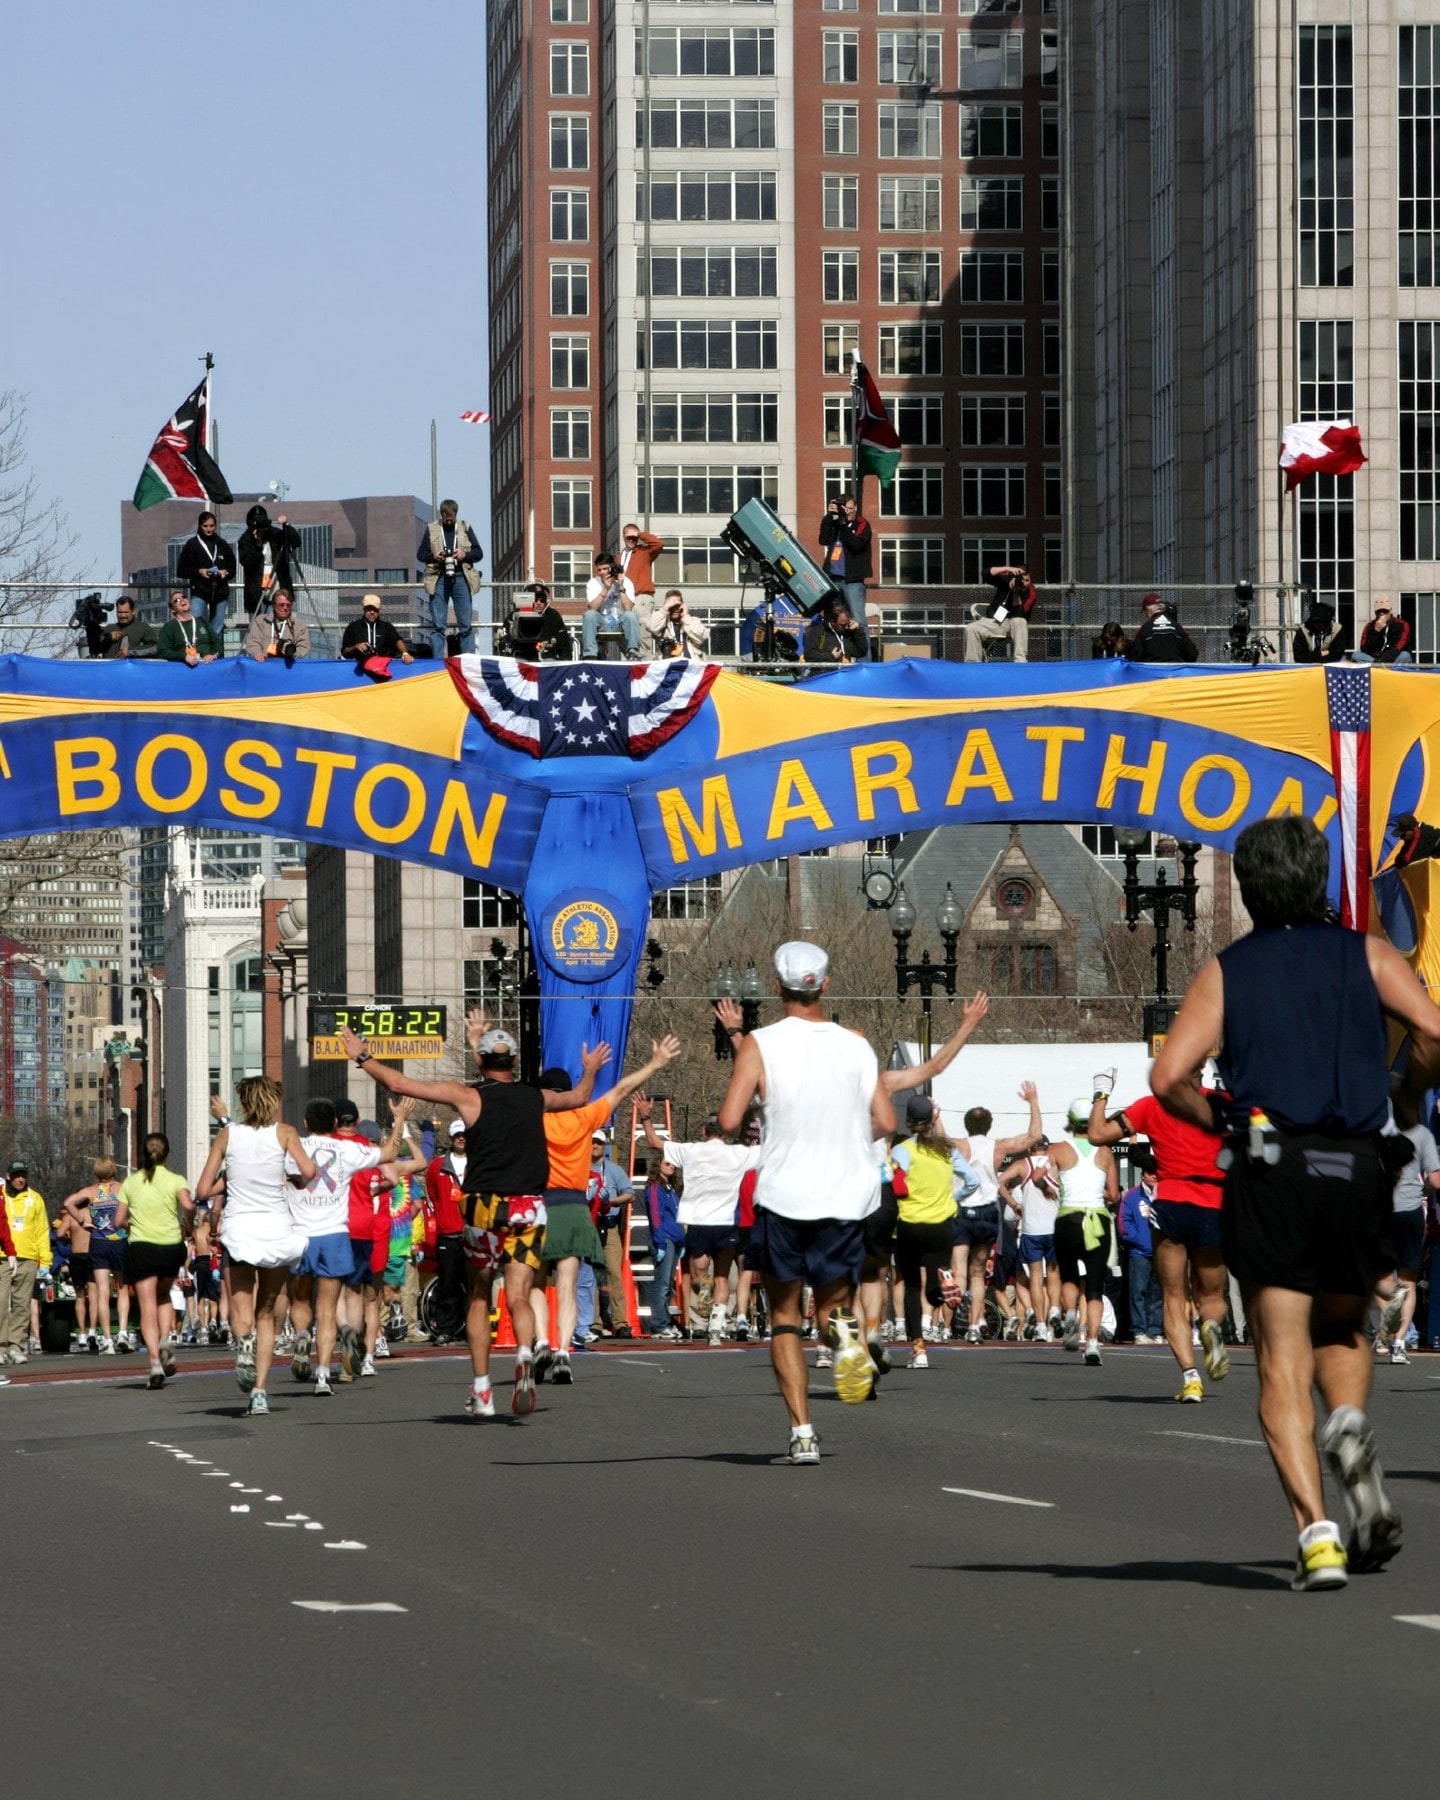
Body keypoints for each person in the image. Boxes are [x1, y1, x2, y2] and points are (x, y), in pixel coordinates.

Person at [1151, 814, 1440, 1591]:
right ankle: (1348, 1425)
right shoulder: (1368, 954)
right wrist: (1407, 1096)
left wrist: (1225, 1119)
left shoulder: (1230, 970)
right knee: (1343, 1325)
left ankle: (1315, 1532)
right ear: (1319, 881)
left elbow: (1166, 1076)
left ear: (1247, 888)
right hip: (1357, 1164)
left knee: (1280, 1358)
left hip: (1273, 1164)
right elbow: (1433, 1029)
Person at [339, 1009, 602, 1420]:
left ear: (480, 1062)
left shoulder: (470, 1097)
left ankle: (482, 1389)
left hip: (484, 1205)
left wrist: (362, 1056)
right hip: (530, 1206)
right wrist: (589, 1069)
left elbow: (399, 1082)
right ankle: (524, 1354)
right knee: (519, 1295)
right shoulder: (536, 1097)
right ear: (515, 1062)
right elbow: (579, 1097)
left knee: (479, 1295)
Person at [718, 941, 896, 1460]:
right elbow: (886, 1121)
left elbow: (730, 1122)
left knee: (784, 1318)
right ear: (825, 985)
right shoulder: (856, 1044)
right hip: (842, 1196)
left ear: (777, 987)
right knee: (836, 1303)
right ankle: (846, 1344)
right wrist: (842, 1133)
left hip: (783, 1195)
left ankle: (802, 1433)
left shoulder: (760, 1043)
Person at [538, 1035, 679, 1383]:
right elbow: (620, 1089)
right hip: (573, 1206)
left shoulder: (534, 1121)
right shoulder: (584, 1118)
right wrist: (655, 1063)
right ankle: (562, 1352)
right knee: (570, 1285)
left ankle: (541, 1341)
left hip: (540, 1205)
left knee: (535, 1284)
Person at [1088, 1062, 1230, 1400]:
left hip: (1171, 1205)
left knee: (1173, 1297)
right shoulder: (1224, 1102)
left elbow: (1096, 1134)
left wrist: (1101, 1092)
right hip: (1214, 1203)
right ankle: (1209, 1326)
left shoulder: (1153, 1105)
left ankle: (1191, 1378)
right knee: (1211, 1296)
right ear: (1203, 1073)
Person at [196, 1080, 317, 1415]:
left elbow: (203, 1189)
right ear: (274, 1102)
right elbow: (309, 1171)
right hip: (276, 1229)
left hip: (239, 1230)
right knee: (267, 1311)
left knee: (241, 1311)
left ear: (244, 1103)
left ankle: (243, 1344)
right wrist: (298, 1180)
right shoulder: (285, 1133)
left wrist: (230, 1177)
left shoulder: (228, 1135)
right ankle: (260, 1392)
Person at [285, 1096, 412, 1394]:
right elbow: (391, 1153)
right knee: (328, 1309)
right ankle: (322, 1377)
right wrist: (400, 1118)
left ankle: (302, 1334)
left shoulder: (294, 1148)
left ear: (305, 1124)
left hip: (300, 1236)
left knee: (300, 1299)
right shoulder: (349, 1149)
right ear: (333, 1124)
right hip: (335, 1235)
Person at [638, 1105, 758, 1347]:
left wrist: (646, 1117)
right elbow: (774, 1150)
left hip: (700, 1222)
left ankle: (712, 1321)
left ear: (703, 1131)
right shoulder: (738, 1153)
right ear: (725, 1133)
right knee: (722, 1277)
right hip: (725, 1223)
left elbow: (653, 1142)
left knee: (699, 1275)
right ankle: (715, 1321)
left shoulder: (690, 1150)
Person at [1024, 1088, 1118, 1363]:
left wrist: (1048, 1187)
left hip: (1068, 1217)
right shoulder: (1105, 1152)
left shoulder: (1059, 1149)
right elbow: (1114, 1194)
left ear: (1070, 1121)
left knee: (1068, 1276)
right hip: (1097, 1219)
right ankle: (1092, 1343)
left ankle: (1071, 1317)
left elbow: (1037, 1175)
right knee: (1095, 1284)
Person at [951, 1097, 1044, 1345]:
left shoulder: (959, 1145)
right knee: (979, 1272)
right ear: (989, 1125)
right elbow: (1034, 1136)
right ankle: (973, 1326)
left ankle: (960, 1297)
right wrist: (1033, 1102)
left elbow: (928, 1139)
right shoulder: (998, 1147)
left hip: (962, 1211)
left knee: (959, 1269)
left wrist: (936, 1119)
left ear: (966, 1124)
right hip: (987, 1212)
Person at [889, 1096, 970, 1369]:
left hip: (910, 1223)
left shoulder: (903, 1150)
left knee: (912, 1285)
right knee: (933, 1282)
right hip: (942, 1224)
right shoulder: (948, 1150)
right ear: (934, 1119)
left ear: (909, 1122)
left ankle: (918, 1348)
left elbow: (884, 1176)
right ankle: (941, 1286)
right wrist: (954, 1198)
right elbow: (974, 1180)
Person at [114, 1135, 194, 1389]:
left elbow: (117, 1221)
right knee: (164, 1295)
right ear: (167, 1154)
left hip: (142, 1248)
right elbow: (188, 1204)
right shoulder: (176, 1180)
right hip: (171, 1247)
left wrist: (132, 1224)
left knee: (146, 1305)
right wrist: (188, 1224)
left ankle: (154, 1362)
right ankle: (165, 1339)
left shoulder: (131, 1183)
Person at [1373, 1090, 1440, 1364]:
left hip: (1383, 1209)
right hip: (1412, 1211)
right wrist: (1419, 1189)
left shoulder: (1379, 1134)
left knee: (1379, 1275)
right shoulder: (1423, 1134)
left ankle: (1387, 1322)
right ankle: (1400, 1341)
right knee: (1410, 1278)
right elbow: (1436, 1181)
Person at [423, 1120, 471, 1341]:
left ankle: (472, 1329)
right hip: (449, 1232)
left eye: (464, 1134)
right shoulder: (437, 1166)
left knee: (474, 1284)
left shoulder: (478, 1161)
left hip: (473, 1231)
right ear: (451, 1138)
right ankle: (446, 1328)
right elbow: (432, 1194)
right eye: (457, 1135)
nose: (461, 1138)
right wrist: (441, 1217)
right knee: (448, 1282)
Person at [418, 498, 483, 653]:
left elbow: (479, 553)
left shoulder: (465, 527)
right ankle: (438, 664)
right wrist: (434, 556)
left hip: (461, 576)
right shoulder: (432, 528)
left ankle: (467, 661)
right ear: (441, 515)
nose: (449, 521)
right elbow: (421, 554)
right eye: (446, 519)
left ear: (456, 514)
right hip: (438, 577)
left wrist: (464, 555)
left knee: (465, 625)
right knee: (438, 625)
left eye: (451, 518)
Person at [1, 1160, 47, 1365]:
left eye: (24, 1175)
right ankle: (1, 1346)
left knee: (22, 1305)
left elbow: (42, 1231)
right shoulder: (1, 1194)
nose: (21, 1179)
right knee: (1, 1302)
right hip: (3, 1257)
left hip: (28, 1257)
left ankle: (16, 1346)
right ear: (8, 1176)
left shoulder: (35, 1198)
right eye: (17, 1175)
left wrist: (44, 1261)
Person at [1116, 1154, 1163, 1345]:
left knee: (1157, 1294)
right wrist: (1139, 1241)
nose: (1154, 1176)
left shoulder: (1165, 1192)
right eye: (1150, 1172)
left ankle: (1155, 1331)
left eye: (1157, 1172)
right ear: (1142, 1175)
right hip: (1140, 1253)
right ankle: (1139, 1331)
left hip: (1162, 1253)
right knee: (1138, 1293)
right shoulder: (1133, 1195)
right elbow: (1123, 1222)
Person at [817, 492, 873, 641]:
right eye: (844, 508)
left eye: (850, 508)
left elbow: (856, 545)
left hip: (852, 581)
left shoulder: (862, 524)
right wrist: (830, 516)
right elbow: (823, 540)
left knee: (859, 622)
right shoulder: (836, 524)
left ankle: (865, 663)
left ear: (855, 508)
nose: (847, 512)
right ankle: (837, 659)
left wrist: (843, 525)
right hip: (833, 580)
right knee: (833, 621)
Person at [175, 510, 237, 634]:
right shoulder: (192, 544)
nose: (209, 529)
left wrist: (226, 572)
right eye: (205, 526)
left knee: (217, 628)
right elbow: (181, 570)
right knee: (196, 624)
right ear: (200, 526)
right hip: (200, 591)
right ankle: (197, 651)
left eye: (211, 526)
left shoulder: (221, 544)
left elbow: (233, 568)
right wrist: (199, 571)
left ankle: (216, 653)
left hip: (220, 591)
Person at [963, 562, 1037, 664]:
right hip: (995, 622)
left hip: (1012, 625)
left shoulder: (1031, 591)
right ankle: (973, 664)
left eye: (1027, 580)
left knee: (1019, 621)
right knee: (971, 628)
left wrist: (1015, 592)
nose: (1024, 583)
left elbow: (1021, 614)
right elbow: (985, 573)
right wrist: (1008, 568)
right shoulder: (1006, 580)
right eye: (1021, 580)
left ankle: (1020, 662)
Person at [237, 504, 301, 618]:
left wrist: (286, 526)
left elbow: (296, 542)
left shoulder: (275, 534)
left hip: (277, 589)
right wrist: (257, 543)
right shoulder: (245, 540)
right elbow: (247, 562)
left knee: (278, 627)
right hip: (256, 592)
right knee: (257, 628)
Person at [644, 1157, 684, 1337]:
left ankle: (665, 1320)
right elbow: (656, 1217)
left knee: (668, 1284)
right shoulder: (655, 1189)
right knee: (661, 1284)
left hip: (675, 1240)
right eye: (667, 1163)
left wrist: (681, 1241)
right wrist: (660, 1242)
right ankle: (659, 1325)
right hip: (665, 1240)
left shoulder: (672, 1190)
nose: (671, 1167)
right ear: (657, 1165)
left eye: (673, 1164)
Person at [582, 555, 641, 658]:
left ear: (612, 567)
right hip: (602, 623)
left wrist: (621, 586)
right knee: (589, 615)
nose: (602, 572)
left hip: (620, 622)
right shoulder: (593, 582)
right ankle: (590, 654)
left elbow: (628, 608)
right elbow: (593, 608)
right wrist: (605, 588)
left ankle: (633, 652)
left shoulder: (626, 581)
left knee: (631, 615)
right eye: (599, 570)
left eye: (605, 569)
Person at [340, 593, 413, 670]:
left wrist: (405, 654)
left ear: (378, 610)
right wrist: (356, 647)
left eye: (375, 609)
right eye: (369, 609)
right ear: (364, 609)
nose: (372, 612)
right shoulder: (353, 627)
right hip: (359, 667)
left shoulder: (387, 627)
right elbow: (345, 652)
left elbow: (397, 640)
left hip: (384, 667)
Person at [504, 582, 573, 660]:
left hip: (546, 656)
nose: (539, 603)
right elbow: (506, 638)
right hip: (521, 655)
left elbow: (564, 642)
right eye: (535, 600)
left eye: (542, 600)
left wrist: (565, 663)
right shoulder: (516, 615)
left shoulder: (553, 616)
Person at [1127, 593, 1199, 663]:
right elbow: (1192, 654)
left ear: (1148, 608)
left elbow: (1136, 655)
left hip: (1153, 671)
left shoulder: (1144, 628)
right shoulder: (1177, 626)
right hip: (1176, 671)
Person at [243, 590, 311, 664]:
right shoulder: (261, 621)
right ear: (274, 606)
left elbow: (304, 645)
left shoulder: (299, 625)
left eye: (288, 605)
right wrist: (257, 653)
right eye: (281, 605)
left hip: (287, 666)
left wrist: (292, 654)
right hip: (264, 664)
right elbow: (253, 641)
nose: (285, 608)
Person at [156, 591, 220, 666]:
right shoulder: (168, 627)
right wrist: (184, 656)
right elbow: (163, 652)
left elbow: (217, 642)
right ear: (173, 609)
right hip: (184, 669)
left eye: (184, 597)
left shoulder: (202, 622)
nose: (182, 600)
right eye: (177, 600)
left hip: (207, 665)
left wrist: (214, 655)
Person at [644, 588, 709, 659]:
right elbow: (651, 627)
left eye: (677, 606)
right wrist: (664, 609)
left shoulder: (692, 621)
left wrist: (686, 617)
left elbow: (702, 636)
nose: (675, 609)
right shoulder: (662, 623)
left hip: (690, 664)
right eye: (671, 607)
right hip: (668, 665)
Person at [802, 601, 867, 667]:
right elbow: (809, 656)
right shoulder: (816, 631)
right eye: (843, 625)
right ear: (833, 622)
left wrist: (858, 631)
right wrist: (831, 656)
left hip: (845, 674)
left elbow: (861, 651)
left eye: (848, 623)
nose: (847, 626)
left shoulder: (848, 631)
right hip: (826, 675)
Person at [1351, 599, 1412, 665]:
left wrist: (1383, 660)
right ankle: (1380, 667)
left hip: (1393, 658)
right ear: (1375, 612)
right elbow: (1364, 648)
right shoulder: (1369, 626)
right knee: (1356, 655)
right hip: (1375, 659)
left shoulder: (1401, 624)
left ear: (1390, 611)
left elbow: (1400, 645)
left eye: (1385, 611)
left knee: (1405, 655)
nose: (1381, 613)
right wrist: (1376, 632)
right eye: (1379, 611)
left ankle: (1382, 667)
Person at [98, 595, 159, 660]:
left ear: (133, 611)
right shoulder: (109, 629)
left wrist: (130, 651)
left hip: (134, 668)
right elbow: (95, 648)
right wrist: (108, 637)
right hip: (110, 668)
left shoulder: (143, 628)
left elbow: (154, 648)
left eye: (126, 612)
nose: (123, 615)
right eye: (120, 612)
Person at [618, 523, 665, 601]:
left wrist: (639, 534)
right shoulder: (619, 557)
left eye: (634, 537)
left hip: (641, 596)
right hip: (624, 597)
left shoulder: (644, 552)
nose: (631, 540)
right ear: (623, 537)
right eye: (629, 537)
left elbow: (659, 544)